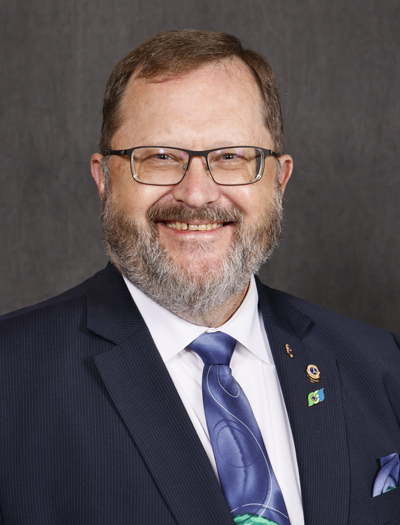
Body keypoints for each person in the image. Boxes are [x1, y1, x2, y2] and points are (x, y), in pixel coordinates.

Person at [0, 29, 399, 525]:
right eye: (160, 156)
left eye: (230, 156)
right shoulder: (11, 379)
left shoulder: (381, 366)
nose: (196, 193)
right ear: (104, 179)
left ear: (279, 179)